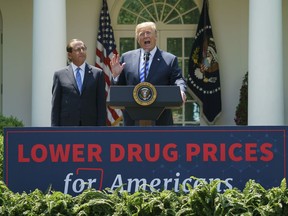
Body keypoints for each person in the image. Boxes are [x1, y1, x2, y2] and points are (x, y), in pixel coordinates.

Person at [110, 21, 187, 126]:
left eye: (148, 33)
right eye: (141, 34)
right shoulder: (126, 58)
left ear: (155, 36)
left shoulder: (169, 59)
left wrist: (181, 90)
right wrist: (116, 75)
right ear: (138, 39)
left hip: (161, 120)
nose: (145, 36)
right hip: (132, 120)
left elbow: (178, 79)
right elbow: (119, 89)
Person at [51, 39, 107, 126]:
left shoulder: (97, 74)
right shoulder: (59, 75)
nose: (81, 51)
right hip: (67, 126)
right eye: (77, 49)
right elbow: (56, 106)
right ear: (69, 55)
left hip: (90, 125)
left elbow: (101, 105)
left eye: (83, 49)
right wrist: (54, 129)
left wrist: (101, 129)